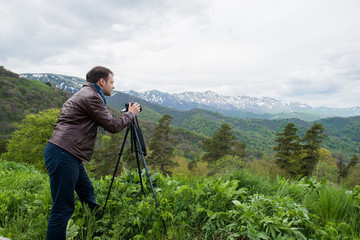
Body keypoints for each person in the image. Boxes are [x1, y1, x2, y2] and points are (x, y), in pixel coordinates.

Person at [43, 66, 141, 240]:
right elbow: (112, 126)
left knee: (87, 191)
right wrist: (131, 114)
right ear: (101, 81)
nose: (113, 86)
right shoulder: (92, 97)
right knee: (62, 209)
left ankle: (96, 228)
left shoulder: (86, 94)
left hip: (68, 153)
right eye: (112, 82)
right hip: (64, 153)